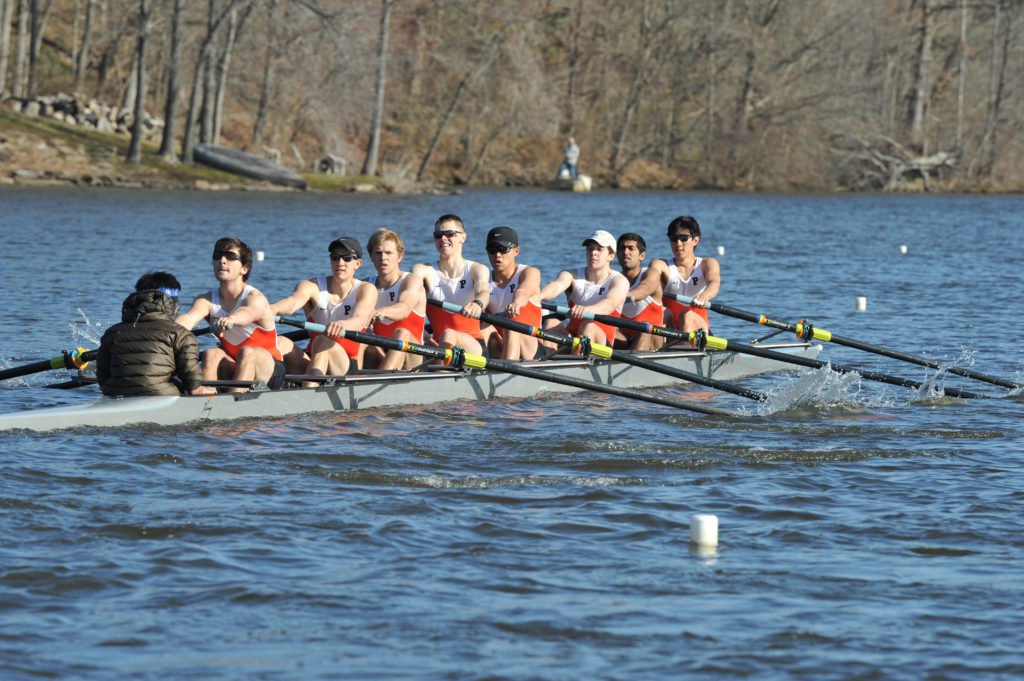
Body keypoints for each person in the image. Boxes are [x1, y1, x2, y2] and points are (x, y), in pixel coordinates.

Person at [176, 237, 286, 392]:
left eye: (230, 257)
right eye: (217, 256)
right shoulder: (206, 299)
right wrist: (164, 331)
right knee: (211, 353)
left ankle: (234, 402)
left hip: (270, 369)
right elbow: (188, 318)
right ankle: (206, 400)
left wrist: (231, 319)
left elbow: (247, 313)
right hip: (233, 363)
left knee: (247, 352)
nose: (222, 260)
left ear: (245, 269)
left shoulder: (256, 298)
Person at [269, 236, 376, 384]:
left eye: (347, 258)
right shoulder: (312, 286)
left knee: (322, 341)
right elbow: (293, 302)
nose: (340, 263)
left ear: (358, 263)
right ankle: (269, 388)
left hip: (344, 365)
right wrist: (272, 309)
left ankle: (308, 394)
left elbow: (360, 319)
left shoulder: (366, 289)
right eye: (335, 257)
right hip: (313, 359)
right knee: (280, 342)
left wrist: (343, 325)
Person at [97, 272, 214, 397]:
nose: (177, 309)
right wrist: (198, 389)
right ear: (171, 304)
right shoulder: (181, 334)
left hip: (114, 392)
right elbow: (190, 375)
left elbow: (102, 378)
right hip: (160, 393)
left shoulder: (112, 332)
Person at [411, 214, 491, 356]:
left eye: (450, 234)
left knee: (448, 334)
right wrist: (424, 335)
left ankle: (438, 372)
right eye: (438, 235)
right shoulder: (422, 271)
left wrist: (478, 304)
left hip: (473, 345)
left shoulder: (476, 270)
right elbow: (409, 304)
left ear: (463, 237)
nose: (443, 238)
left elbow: (483, 292)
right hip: (437, 346)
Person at [539, 229, 629, 349]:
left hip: (600, 345)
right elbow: (555, 286)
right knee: (551, 323)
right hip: (572, 339)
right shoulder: (571, 275)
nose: (593, 252)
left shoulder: (619, 281)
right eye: (590, 248)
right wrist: (537, 296)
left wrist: (586, 309)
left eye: (599, 249)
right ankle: (547, 362)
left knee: (588, 326)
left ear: (611, 256)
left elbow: (609, 304)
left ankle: (576, 361)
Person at [362, 228, 427, 371]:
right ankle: (350, 379)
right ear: (371, 257)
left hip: (412, 356)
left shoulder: (411, 281)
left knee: (401, 332)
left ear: (400, 257)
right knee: (363, 336)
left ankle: (378, 382)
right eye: (378, 253)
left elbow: (404, 309)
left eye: (388, 253)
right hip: (380, 353)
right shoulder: (365, 285)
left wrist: (380, 311)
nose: (383, 258)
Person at [647, 215, 721, 333]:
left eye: (684, 238)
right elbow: (649, 283)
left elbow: (714, 283)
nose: (678, 243)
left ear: (695, 240)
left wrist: (705, 296)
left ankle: (683, 346)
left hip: (698, 331)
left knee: (686, 315)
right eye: (674, 238)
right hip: (669, 329)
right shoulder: (661, 266)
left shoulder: (707, 264)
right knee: (661, 312)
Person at [479, 226, 542, 361]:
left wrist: (516, 303)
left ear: (516, 251)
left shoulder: (529, 273)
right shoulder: (483, 280)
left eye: (503, 249)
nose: (497, 255)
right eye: (492, 250)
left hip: (531, 348)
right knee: (483, 328)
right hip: (501, 346)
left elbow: (524, 291)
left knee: (511, 325)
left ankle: (505, 370)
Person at [615, 232, 665, 351]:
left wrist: (618, 297)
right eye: (622, 248)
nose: (626, 252)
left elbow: (645, 289)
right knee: (598, 328)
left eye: (631, 248)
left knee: (644, 326)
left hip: (653, 339)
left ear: (642, 256)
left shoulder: (651, 273)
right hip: (625, 339)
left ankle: (633, 366)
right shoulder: (614, 279)